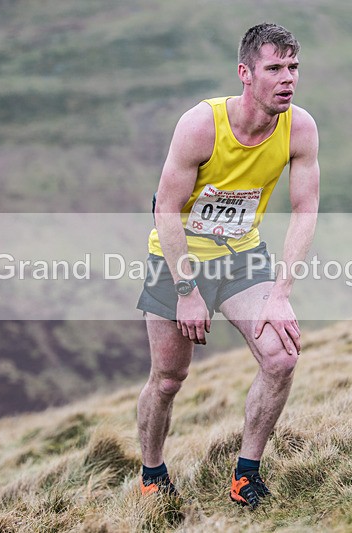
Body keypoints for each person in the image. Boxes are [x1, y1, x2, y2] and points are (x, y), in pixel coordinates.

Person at [135, 22, 320, 510]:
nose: (288, 79)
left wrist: (280, 295)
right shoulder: (201, 125)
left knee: (281, 357)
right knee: (169, 379)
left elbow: (306, 210)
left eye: (294, 67)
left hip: (242, 258)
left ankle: (246, 473)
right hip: (178, 260)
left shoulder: (299, 128)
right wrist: (187, 292)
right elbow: (165, 210)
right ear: (245, 73)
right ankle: (152, 472)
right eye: (275, 68)